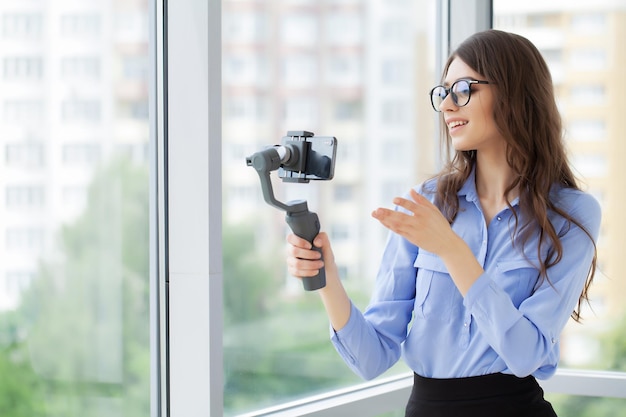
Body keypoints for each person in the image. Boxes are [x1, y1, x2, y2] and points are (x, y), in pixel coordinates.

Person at [285, 29, 601, 417]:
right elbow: (372, 358)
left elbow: (525, 355)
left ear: (515, 93)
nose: (448, 105)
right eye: (443, 92)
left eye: (464, 89)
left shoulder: (571, 214)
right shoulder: (428, 202)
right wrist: (327, 276)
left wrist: (452, 249)